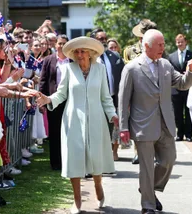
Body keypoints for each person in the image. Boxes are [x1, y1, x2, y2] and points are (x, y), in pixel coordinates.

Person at [118, 29, 192, 214]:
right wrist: (123, 127)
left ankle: (147, 188)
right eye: (160, 45)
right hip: (142, 126)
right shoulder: (131, 68)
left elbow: (182, 84)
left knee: (169, 160)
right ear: (146, 46)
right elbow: (123, 101)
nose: (163, 48)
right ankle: (147, 205)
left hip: (166, 124)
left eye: (164, 44)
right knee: (146, 168)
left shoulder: (165, 65)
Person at [37, 36, 118, 214]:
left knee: (96, 156)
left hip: (96, 119)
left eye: (83, 51)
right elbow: (61, 94)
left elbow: (105, 97)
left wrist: (113, 115)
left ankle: (98, 184)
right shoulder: (68, 69)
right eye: (77, 52)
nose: (80, 54)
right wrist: (48, 99)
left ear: (91, 53)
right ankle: (77, 199)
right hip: (73, 120)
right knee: (74, 158)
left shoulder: (100, 69)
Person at [122, 19, 158, 164]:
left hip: (153, 90)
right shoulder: (130, 50)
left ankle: (153, 152)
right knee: (137, 122)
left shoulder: (158, 47)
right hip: (136, 91)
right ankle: (138, 151)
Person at [90, 28, 124, 161]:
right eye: (100, 39)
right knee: (96, 131)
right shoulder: (89, 57)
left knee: (111, 131)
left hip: (111, 100)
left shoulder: (114, 56)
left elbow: (122, 79)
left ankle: (108, 158)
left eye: (105, 38)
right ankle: (96, 159)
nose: (103, 41)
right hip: (94, 100)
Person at [39, 34, 71, 170]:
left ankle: (68, 161)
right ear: (55, 45)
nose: (62, 46)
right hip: (52, 100)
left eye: (64, 43)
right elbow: (43, 80)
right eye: (60, 43)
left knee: (69, 131)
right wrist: (42, 100)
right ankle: (56, 163)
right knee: (55, 131)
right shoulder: (48, 60)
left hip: (70, 100)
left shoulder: (73, 61)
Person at [168, 34, 192, 142]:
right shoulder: (171, 56)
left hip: (188, 88)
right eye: (178, 42)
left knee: (188, 112)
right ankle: (179, 134)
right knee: (177, 113)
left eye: (181, 42)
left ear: (186, 42)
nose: (180, 44)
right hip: (175, 89)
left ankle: (188, 134)